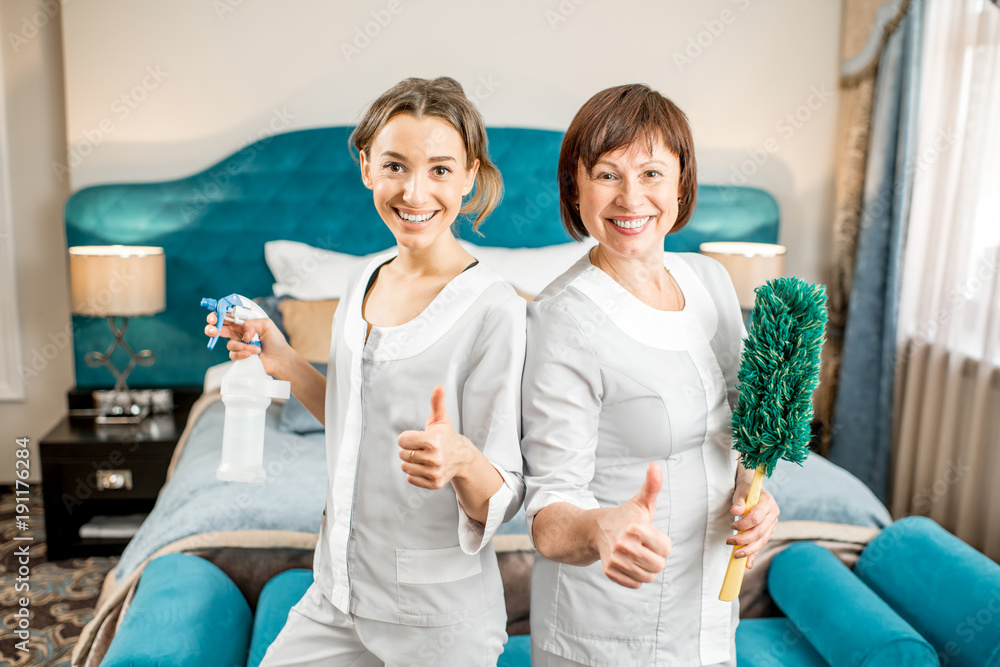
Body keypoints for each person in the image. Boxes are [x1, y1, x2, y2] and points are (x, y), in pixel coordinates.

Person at [206, 77, 525, 666]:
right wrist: (284, 359)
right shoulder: (363, 280)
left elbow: (504, 496)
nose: (414, 190)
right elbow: (355, 422)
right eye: (395, 165)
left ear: (470, 177)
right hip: (336, 596)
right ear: (366, 168)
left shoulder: (495, 309)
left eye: (440, 170)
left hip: (437, 619)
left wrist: (460, 461)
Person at [521, 84, 781, 667]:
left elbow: (743, 425)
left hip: (710, 604)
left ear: (683, 182)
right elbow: (548, 515)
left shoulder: (710, 279)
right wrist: (599, 530)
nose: (630, 197)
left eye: (652, 173)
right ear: (576, 189)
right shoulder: (561, 320)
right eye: (607, 175)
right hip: (608, 621)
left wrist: (755, 493)